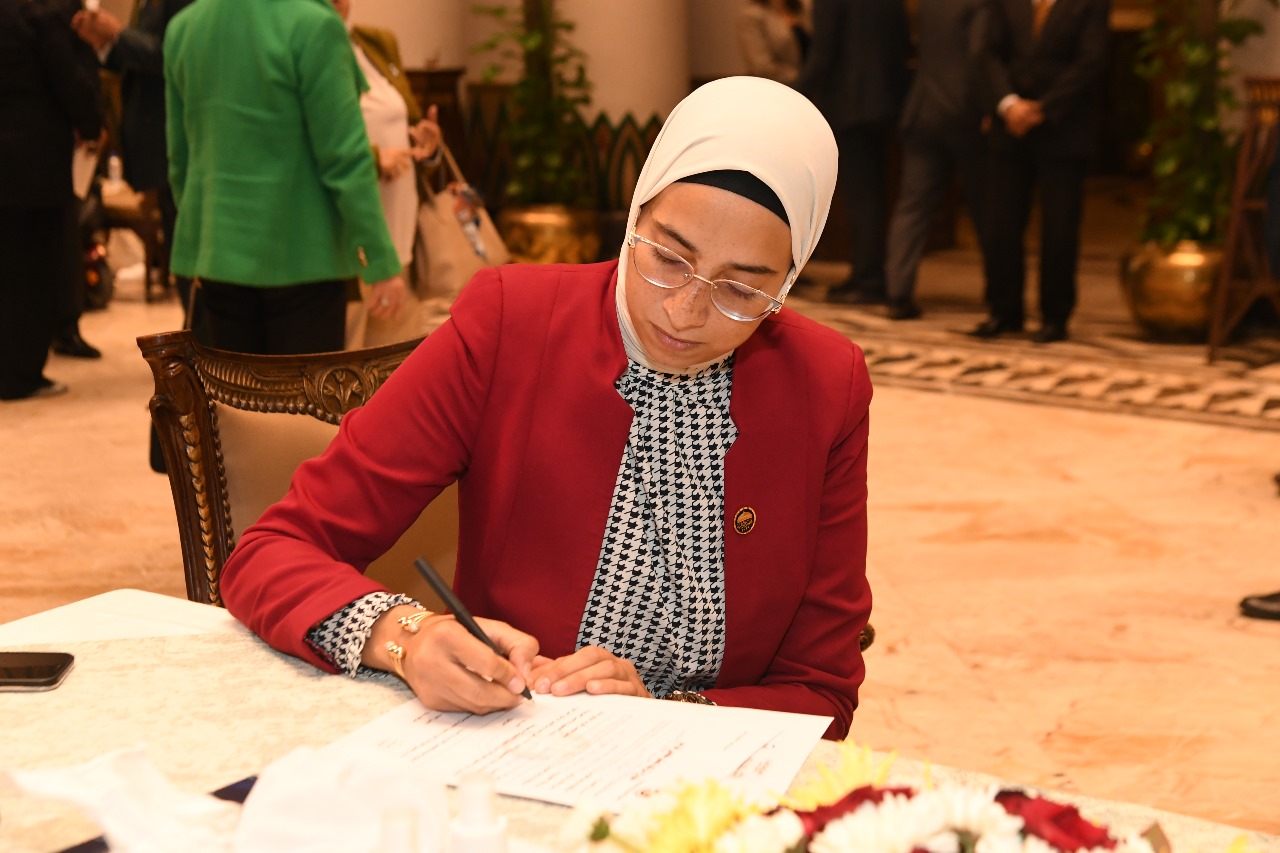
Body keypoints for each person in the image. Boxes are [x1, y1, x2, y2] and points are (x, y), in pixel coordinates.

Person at [219, 76, 873, 739]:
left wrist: (671, 716)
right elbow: (274, 551)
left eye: (740, 289)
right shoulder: (513, 323)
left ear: (788, 282)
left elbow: (821, 690)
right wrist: (405, 636)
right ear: (633, 217)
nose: (685, 310)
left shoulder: (826, 385)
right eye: (668, 257)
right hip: (504, 741)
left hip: (707, 782)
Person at [164, 0, 406, 355]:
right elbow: (344, 157)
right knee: (302, 391)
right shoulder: (313, 25)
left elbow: (180, 159)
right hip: (304, 257)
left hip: (218, 256)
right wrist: (380, 261)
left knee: (234, 389)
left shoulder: (185, 27)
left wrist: (205, 237)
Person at [968, 0, 1109, 343]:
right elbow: (987, 52)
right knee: (1001, 224)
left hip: (1063, 127)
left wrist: (1043, 108)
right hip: (1009, 127)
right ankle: (1004, 311)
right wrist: (1008, 103)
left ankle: (1055, 316)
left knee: (1059, 229)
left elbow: (1092, 61)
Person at [0, 0, 102, 401]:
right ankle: (20, 374)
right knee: (33, 274)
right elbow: (68, 80)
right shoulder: (39, 18)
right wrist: (91, 123)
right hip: (33, 167)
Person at [72, 0, 196, 316]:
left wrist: (118, 34)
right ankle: (193, 326)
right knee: (176, 235)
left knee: (184, 237)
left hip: (174, 131)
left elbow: (173, 53)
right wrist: (104, 44)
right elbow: (136, 59)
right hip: (154, 134)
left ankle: (197, 329)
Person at [334, 0, 443, 347]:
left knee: (394, 358)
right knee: (346, 358)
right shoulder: (309, 52)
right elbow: (319, 144)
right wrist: (375, 159)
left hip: (398, 222)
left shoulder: (376, 42)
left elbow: (406, 124)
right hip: (348, 233)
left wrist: (427, 143)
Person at [795, 0, 909, 306]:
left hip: (848, 105)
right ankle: (871, 274)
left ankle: (868, 279)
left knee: (862, 199)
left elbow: (823, 54)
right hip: (886, 105)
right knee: (876, 196)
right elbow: (901, 46)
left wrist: (792, 94)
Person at [882, 0, 989, 321]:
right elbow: (979, 56)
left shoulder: (928, 4)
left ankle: (897, 291)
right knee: (986, 207)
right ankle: (1000, 291)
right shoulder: (982, 4)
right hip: (965, 112)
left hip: (924, 108)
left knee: (912, 207)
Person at [737, 0, 809, 84]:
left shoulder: (800, 10)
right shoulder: (752, 16)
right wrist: (803, 77)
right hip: (781, 86)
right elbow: (762, 67)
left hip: (812, 85)